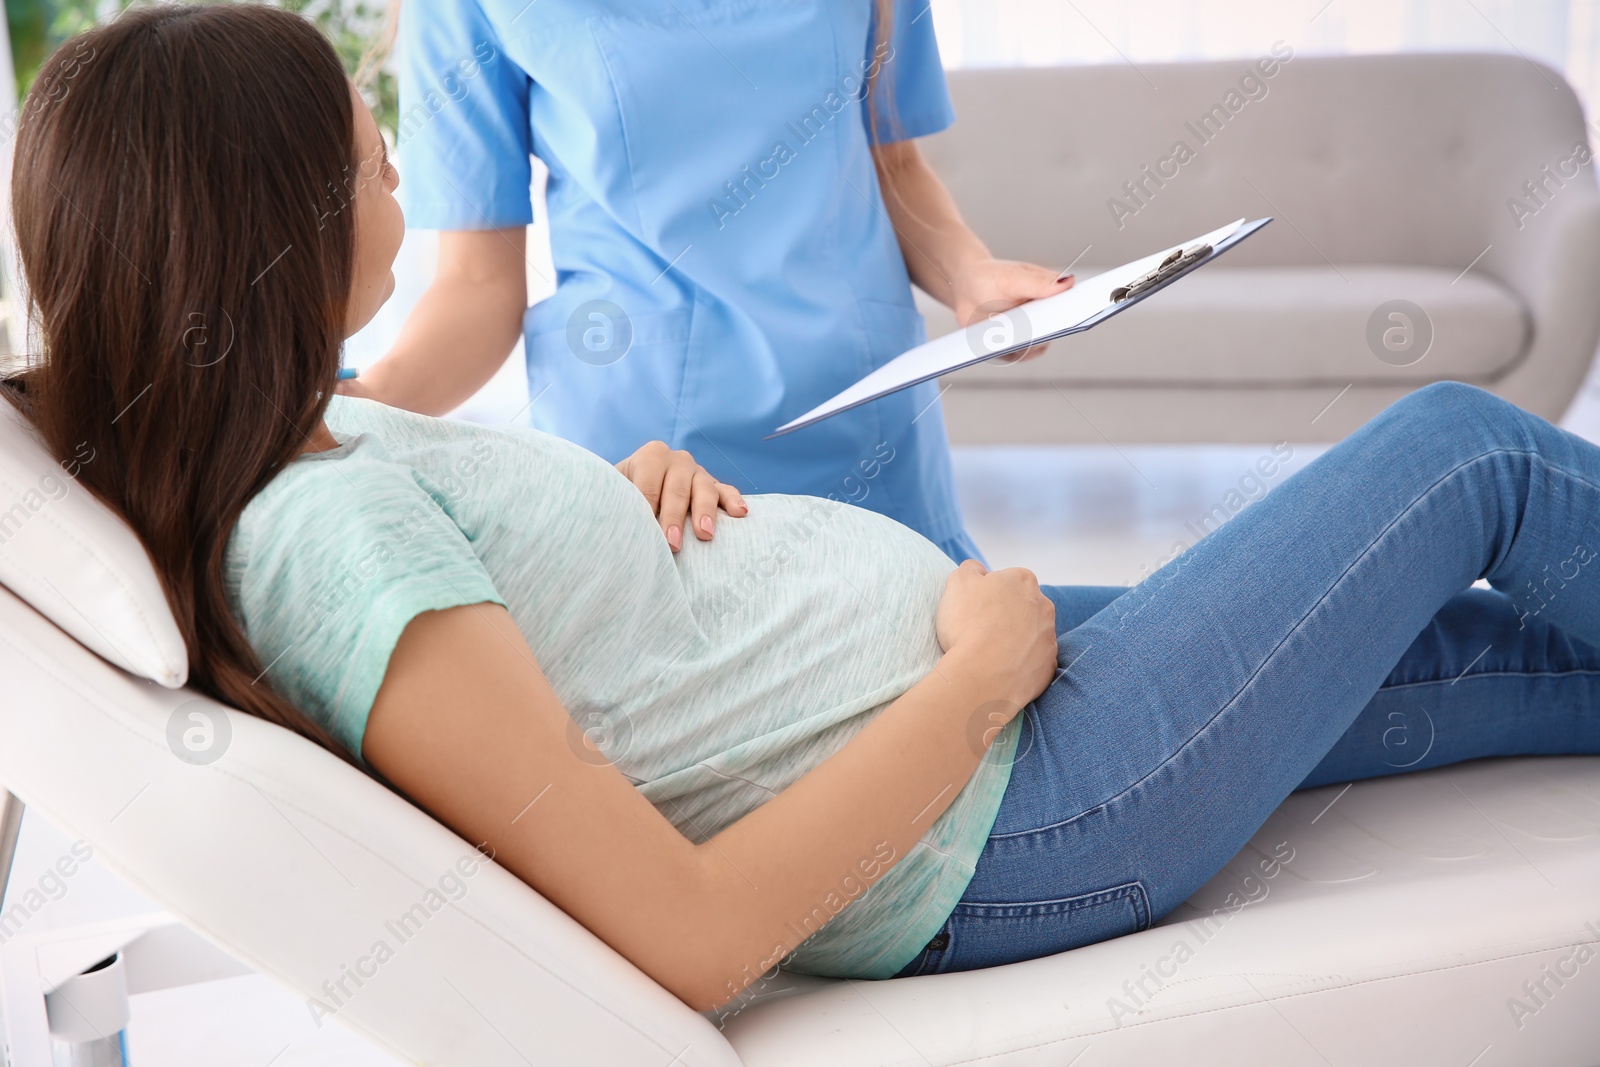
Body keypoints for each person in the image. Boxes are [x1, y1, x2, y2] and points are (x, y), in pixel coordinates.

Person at [10, 5, 1600, 1016]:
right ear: (272, 238)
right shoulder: (327, 540)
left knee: (1462, 655)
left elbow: (539, 654)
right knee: (1465, 454)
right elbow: (695, 938)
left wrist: (608, 514)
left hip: (975, 721)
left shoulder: (316, 442)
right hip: (1014, 802)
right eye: (372, 172)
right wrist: (977, 675)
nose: (404, 191)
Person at [341, 0, 1073, 563]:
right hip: (655, 468)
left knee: (961, 714)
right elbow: (478, 285)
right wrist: (355, 406)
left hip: (869, 426)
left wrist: (971, 275)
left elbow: (894, 166)